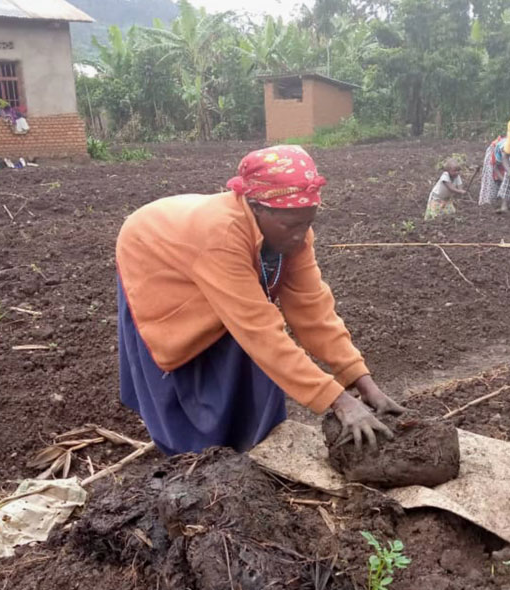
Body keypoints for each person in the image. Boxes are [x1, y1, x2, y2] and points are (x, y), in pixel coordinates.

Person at [116, 145, 403, 455]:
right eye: (291, 225)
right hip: (154, 257)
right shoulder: (221, 235)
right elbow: (258, 329)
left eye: (308, 223)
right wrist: (339, 401)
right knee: (204, 347)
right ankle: (193, 461)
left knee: (253, 354)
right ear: (255, 208)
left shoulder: (296, 235)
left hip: (202, 250)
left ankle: (253, 448)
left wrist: (363, 383)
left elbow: (314, 311)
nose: (300, 235)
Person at [478, 136, 507, 206]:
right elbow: (495, 168)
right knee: (491, 180)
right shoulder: (502, 149)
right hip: (495, 155)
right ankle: (487, 204)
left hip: (505, 157)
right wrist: (504, 181)